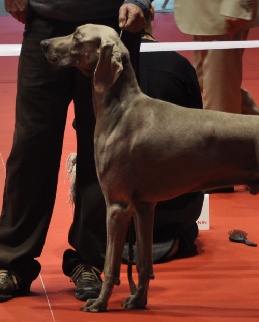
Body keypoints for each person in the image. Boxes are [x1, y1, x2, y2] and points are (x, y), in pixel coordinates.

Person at [0, 0, 153, 303]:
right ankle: (11, 261)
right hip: (45, 21)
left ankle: (90, 261)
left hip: (112, 27)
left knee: (104, 153)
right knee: (30, 147)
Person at [63, 7, 205, 300]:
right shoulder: (180, 66)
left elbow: (82, 127)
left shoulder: (100, 75)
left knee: (92, 159)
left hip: (110, 236)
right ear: (150, 17)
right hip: (174, 228)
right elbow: (198, 134)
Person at [173, 0, 259, 193]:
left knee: (220, 94)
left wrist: (238, 5)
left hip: (223, 13)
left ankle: (222, 169)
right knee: (211, 90)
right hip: (204, 13)